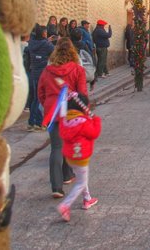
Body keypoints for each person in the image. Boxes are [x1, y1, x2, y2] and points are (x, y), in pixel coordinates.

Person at [38, 38, 88, 198]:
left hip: (53, 112)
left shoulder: (47, 71)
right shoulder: (78, 70)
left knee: (56, 148)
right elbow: (82, 93)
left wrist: (47, 105)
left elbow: (40, 93)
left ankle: (57, 186)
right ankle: (67, 175)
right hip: (71, 112)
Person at [57, 92, 101, 222]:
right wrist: (96, 121)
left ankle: (87, 199)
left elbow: (63, 133)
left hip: (70, 157)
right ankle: (65, 205)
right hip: (81, 157)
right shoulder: (83, 121)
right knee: (81, 182)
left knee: (81, 178)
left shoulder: (65, 120)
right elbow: (94, 133)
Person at [26, 24, 55, 131]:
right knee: (38, 99)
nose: (46, 33)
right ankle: (32, 122)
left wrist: (46, 40)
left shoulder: (32, 43)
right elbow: (54, 52)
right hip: (42, 74)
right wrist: (49, 42)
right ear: (43, 33)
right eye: (45, 32)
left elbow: (38, 43)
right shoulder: (46, 45)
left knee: (35, 99)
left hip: (33, 72)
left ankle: (38, 122)